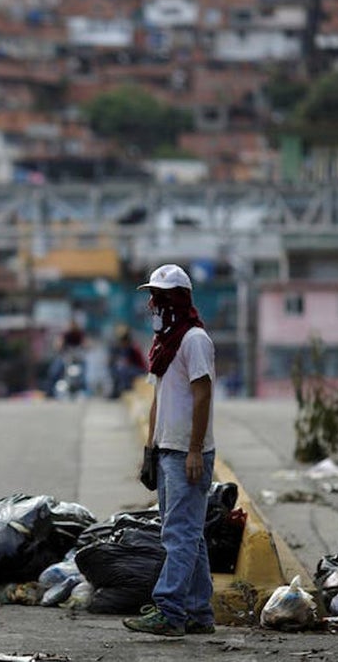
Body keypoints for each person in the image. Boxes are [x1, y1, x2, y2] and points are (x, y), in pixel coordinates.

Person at [124, 264, 217, 638]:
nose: (153, 304)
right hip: (166, 451)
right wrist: (150, 449)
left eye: (161, 297)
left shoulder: (194, 339)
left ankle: (169, 610)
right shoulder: (165, 343)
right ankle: (198, 612)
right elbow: (158, 399)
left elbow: (203, 394)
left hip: (186, 454)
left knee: (177, 535)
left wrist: (194, 450)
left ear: (178, 299)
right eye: (152, 296)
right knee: (187, 535)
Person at [45, 319, 86, 397]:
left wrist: (85, 346)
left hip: (77, 359)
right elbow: (58, 344)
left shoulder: (79, 334)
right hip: (65, 358)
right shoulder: (65, 334)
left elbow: (86, 343)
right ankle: (50, 392)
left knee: (84, 374)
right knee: (54, 372)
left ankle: (83, 390)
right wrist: (59, 345)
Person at [109, 325, 149, 399]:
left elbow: (137, 363)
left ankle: (126, 390)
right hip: (131, 369)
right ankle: (116, 391)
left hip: (140, 370)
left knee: (123, 370)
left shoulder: (133, 347)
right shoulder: (123, 348)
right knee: (117, 369)